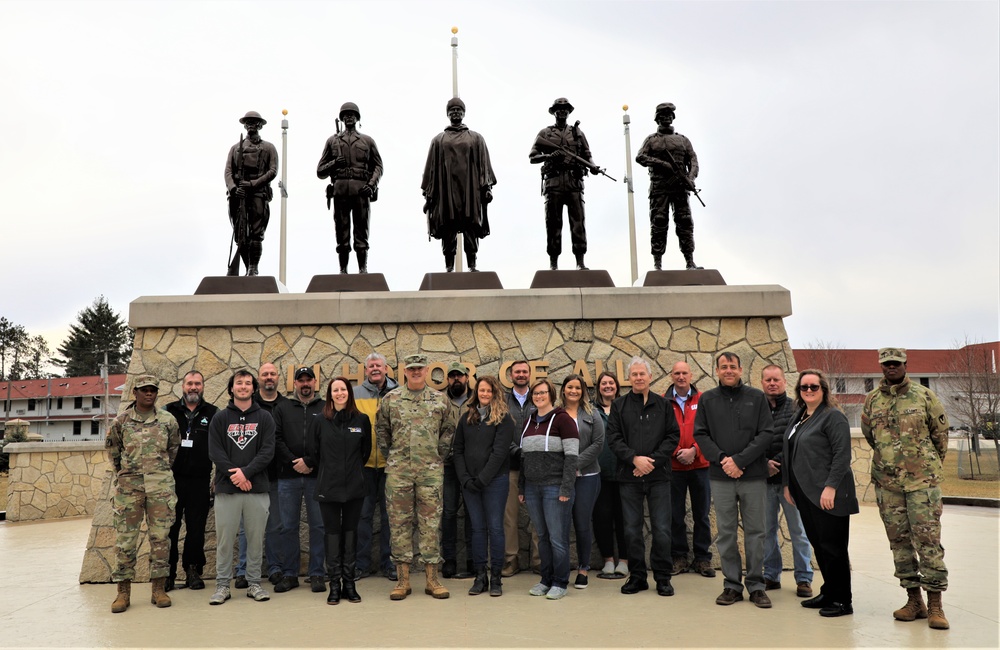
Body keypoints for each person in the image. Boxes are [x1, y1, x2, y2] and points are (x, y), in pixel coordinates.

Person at [861, 347, 951, 630]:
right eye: (886, 364)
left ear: (905, 365)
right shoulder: (872, 400)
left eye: (896, 363)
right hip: (888, 484)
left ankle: (935, 603)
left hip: (922, 483)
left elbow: (941, 435)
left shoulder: (924, 396)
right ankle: (914, 601)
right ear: (881, 366)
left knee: (928, 542)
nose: (891, 368)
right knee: (899, 544)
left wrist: (925, 465)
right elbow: (870, 436)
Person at [693, 352, 774, 608]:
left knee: (756, 532)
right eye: (723, 367)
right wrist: (723, 460)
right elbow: (701, 435)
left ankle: (757, 585)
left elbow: (766, 434)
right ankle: (731, 585)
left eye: (733, 366)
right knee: (726, 533)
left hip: (753, 476)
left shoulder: (757, 397)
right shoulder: (707, 399)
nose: (728, 370)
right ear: (717, 371)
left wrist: (740, 461)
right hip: (721, 477)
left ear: (740, 370)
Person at [376, 353, 456, 600]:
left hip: (430, 473)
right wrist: (395, 457)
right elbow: (381, 431)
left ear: (427, 370)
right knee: (399, 525)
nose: (416, 372)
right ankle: (403, 581)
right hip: (399, 473)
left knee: (430, 525)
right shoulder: (391, 399)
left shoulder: (440, 400)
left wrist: (435, 457)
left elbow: (448, 432)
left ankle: (432, 580)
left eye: (420, 368)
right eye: (411, 369)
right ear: (405, 371)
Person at [783, 369, 859, 618]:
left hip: (828, 493)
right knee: (819, 544)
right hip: (805, 493)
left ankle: (842, 601)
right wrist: (787, 485)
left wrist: (831, 487)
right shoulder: (801, 416)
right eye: (804, 387)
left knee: (834, 548)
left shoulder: (832, 417)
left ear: (824, 390)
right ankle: (829, 591)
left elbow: (842, 455)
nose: (808, 391)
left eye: (814, 387)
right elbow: (789, 452)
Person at [607, 357, 681, 597]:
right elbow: (614, 438)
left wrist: (651, 462)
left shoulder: (664, 405)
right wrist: (634, 460)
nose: (638, 378)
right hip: (629, 478)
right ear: (628, 379)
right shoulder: (619, 406)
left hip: (659, 477)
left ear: (650, 377)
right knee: (631, 530)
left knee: (662, 529)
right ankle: (637, 577)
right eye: (634, 374)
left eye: (642, 374)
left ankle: (662, 578)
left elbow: (672, 436)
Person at [107, 375, 180, 613]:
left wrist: (158, 473)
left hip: (160, 488)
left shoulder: (168, 420)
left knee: (160, 540)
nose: (149, 393)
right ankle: (123, 593)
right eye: (144, 390)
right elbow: (114, 453)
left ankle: (158, 589)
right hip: (130, 490)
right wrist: (126, 475)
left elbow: (173, 450)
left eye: (153, 390)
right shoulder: (121, 421)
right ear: (135, 392)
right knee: (125, 541)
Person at [207, 370, 276, 605]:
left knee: (256, 539)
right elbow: (215, 451)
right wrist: (236, 475)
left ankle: (254, 583)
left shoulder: (265, 417)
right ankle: (222, 586)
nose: (243, 386)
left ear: (253, 388)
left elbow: (268, 451)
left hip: (256, 488)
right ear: (231, 388)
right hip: (227, 489)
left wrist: (246, 472)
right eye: (239, 383)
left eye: (248, 383)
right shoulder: (220, 418)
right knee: (225, 540)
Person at [304, 377, 372, 605]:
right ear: (330, 394)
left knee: (351, 533)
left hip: (354, 487)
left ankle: (349, 584)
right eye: (336, 390)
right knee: (332, 534)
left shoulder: (361, 420)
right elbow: (314, 453)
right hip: (328, 487)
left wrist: (351, 471)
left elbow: (365, 452)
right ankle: (334, 584)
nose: (340, 393)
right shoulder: (320, 421)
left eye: (343, 389)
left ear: (349, 393)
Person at [453, 375, 515, 596]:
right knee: (478, 529)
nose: (485, 394)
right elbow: (457, 450)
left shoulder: (504, 419)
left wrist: (483, 479)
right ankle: (480, 577)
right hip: (470, 484)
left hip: (495, 482)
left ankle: (496, 578)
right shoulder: (466, 418)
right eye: (482, 391)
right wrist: (465, 478)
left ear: (495, 392)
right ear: (476, 393)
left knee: (496, 528)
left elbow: (499, 453)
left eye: (489, 391)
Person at [518, 378, 579, 601]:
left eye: (543, 393)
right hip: (533, 488)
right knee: (542, 536)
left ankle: (560, 582)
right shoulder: (528, 421)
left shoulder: (563, 420)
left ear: (551, 395)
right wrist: (522, 486)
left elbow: (572, 457)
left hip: (555, 488)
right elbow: (524, 458)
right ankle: (546, 579)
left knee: (557, 538)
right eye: (535, 393)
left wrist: (566, 488)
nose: (539, 396)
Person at [421, 97, 497, 272]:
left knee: (471, 226)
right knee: (448, 227)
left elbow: (483, 165)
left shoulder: (476, 138)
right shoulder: (438, 140)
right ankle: (449, 266)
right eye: (452, 110)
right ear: (447, 114)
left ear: (464, 113)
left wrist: (487, 188)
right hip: (446, 191)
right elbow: (430, 170)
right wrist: (429, 196)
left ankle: (472, 265)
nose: (455, 112)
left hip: (470, 191)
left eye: (459, 109)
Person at [528, 97, 601, 270]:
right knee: (553, 224)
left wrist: (593, 165)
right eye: (559, 109)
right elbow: (532, 156)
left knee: (578, 223)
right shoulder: (545, 134)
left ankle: (580, 261)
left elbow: (587, 153)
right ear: (554, 112)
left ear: (569, 112)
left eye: (565, 109)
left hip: (574, 182)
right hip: (553, 183)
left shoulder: (577, 133)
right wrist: (548, 156)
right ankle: (553, 264)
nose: (562, 111)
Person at [760, 364, 814, 597]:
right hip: (763, 481)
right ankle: (771, 575)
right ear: (762, 382)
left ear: (784, 382)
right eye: (768, 380)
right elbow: (749, 439)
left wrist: (777, 464)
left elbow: (797, 442)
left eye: (776, 380)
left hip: (790, 483)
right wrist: (763, 463)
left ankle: (804, 578)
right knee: (766, 531)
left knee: (798, 531)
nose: (772, 383)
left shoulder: (797, 409)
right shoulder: (756, 408)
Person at [273, 366, 326, 594]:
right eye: (300, 380)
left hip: (317, 476)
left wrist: (310, 462)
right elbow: (276, 439)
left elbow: (328, 440)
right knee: (288, 527)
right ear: (294, 384)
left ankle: (317, 573)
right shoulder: (282, 408)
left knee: (318, 526)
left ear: (315, 382)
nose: (305, 384)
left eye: (309, 380)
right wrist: (295, 461)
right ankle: (290, 574)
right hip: (288, 477)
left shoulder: (325, 408)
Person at [164, 371, 218, 592]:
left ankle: (193, 570)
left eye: (197, 383)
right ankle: (168, 573)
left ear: (203, 386)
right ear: (182, 386)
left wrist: (217, 479)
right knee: (170, 528)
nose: (193, 387)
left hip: (200, 480)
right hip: (171, 480)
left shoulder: (213, 413)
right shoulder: (168, 411)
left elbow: (220, 448)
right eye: (189, 383)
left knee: (196, 529)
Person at [316, 102, 383, 274]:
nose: (349, 117)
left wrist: (371, 184)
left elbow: (378, 166)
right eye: (346, 114)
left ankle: (362, 269)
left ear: (358, 118)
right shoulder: (332, 141)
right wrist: (334, 163)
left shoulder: (367, 141)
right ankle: (343, 270)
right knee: (342, 232)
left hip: (361, 190)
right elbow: (320, 171)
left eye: (352, 114)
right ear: (342, 118)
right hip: (340, 191)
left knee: (361, 232)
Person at [236, 363, 286, 589]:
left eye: (272, 374)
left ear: (278, 378)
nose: (269, 377)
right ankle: (244, 570)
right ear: (259, 379)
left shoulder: (286, 405)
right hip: (250, 477)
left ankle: (275, 568)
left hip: (277, 475)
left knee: (275, 526)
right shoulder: (248, 406)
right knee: (247, 527)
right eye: (264, 374)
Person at [635, 102, 701, 271]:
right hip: (660, 188)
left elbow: (693, 161)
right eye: (662, 116)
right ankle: (657, 264)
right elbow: (640, 157)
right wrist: (661, 164)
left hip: (680, 187)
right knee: (659, 222)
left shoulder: (683, 140)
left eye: (669, 115)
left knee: (685, 222)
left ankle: (690, 261)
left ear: (673, 117)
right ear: (657, 119)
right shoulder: (651, 141)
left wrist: (691, 178)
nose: (666, 118)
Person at [665, 361, 715, 579]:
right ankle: (679, 557)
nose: (681, 376)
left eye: (684, 373)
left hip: (700, 466)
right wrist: (677, 452)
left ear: (691, 375)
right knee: (675, 515)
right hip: (674, 467)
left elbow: (710, 430)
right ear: (671, 376)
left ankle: (702, 559)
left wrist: (695, 450)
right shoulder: (664, 401)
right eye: (677, 373)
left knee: (701, 514)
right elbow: (662, 431)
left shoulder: (704, 399)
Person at [353, 352, 399, 581]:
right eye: (370, 366)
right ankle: (361, 564)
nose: (374, 369)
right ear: (366, 369)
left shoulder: (398, 393)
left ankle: (389, 564)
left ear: (386, 368)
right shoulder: (355, 394)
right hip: (365, 466)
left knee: (390, 517)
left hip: (392, 466)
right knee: (363, 517)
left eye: (378, 365)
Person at [559, 374, 605, 589]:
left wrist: (575, 464)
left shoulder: (592, 413)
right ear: (563, 390)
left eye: (578, 387)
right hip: (560, 478)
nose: (574, 391)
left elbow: (598, 443)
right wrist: (566, 467)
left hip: (587, 476)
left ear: (583, 391)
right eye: (570, 387)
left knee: (582, 522)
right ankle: (561, 569)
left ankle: (583, 569)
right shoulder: (555, 414)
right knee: (561, 523)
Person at [224, 111, 278, 276]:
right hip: (238, 195)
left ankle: (253, 268)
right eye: (248, 122)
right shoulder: (234, 148)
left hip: (258, 194)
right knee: (240, 233)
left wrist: (253, 184)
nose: (251, 125)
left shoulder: (269, 148)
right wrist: (234, 189)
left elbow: (273, 171)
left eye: (254, 122)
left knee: (256, 233)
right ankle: (246, 266)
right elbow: (228, 171)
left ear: (260, 125)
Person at [591, 371, 628, 579]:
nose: (607, 386)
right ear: (598, 387)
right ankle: (607, 560)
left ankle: (624, 560)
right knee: (602, 517)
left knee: (625, 518)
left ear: (617, 386)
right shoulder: (591, 410)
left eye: (611, 383)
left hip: (624, 473)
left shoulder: (625, 407)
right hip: (599, 473)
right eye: (604, 383)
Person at [442, 361, 474, 578]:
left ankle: (473, 560)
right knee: (449, 513)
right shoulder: (440, 401)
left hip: (472, 466)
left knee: (472, 514)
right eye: (452, 376)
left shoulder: (477, 401)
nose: (456, 379)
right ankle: (450, 560)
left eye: (459, 376)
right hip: (447, 465)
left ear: (466, 378)